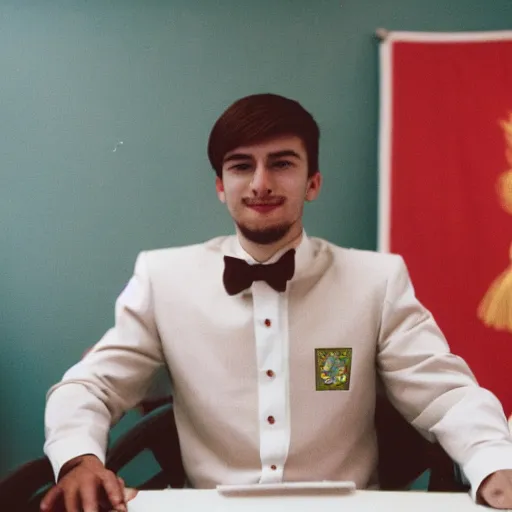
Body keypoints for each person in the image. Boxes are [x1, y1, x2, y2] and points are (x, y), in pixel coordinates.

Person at [41, 93, 512, 512]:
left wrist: (494, 466)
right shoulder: (162, 279)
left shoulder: (377, 280)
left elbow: (446, 396)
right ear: (221, 185)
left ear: (313, 183)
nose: (261, 183)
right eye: (241, 166)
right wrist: (79, 462)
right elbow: (89, 387)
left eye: (282, 163)